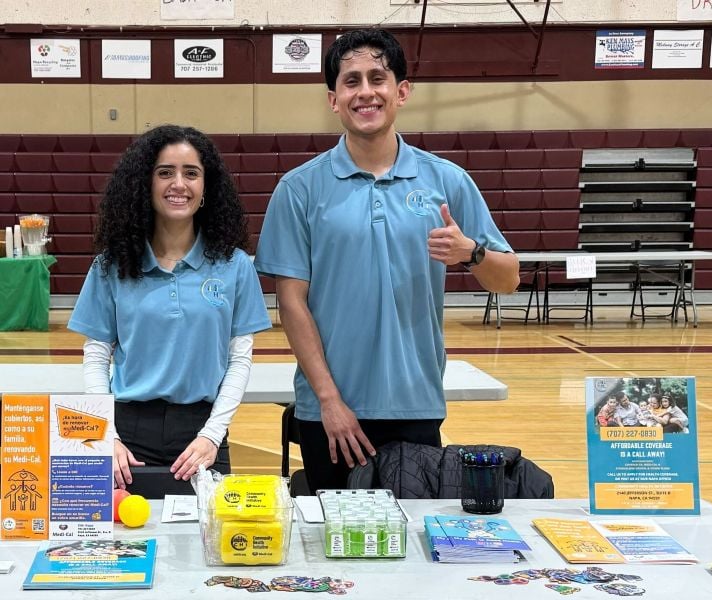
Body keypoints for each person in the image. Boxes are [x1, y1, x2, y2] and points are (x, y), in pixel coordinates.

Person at [255, 29, 519, 492]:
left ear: (401, 91)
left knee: (410, 549)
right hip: (332, 412)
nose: (365, 92)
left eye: (377, 78)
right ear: (333, 99)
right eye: (351, 80)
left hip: (415, 405)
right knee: (331, 549)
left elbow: (508, 279)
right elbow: (292, 304)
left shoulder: (448, 181)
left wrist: (471, 253)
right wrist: (330, 400)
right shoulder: (299, 189)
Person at [68, 124, 271, 490]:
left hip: (201, 434)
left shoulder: (235, 265)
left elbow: (239, 359)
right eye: (165, 173)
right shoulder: (111, 265)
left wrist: (212, 435)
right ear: (145, 184)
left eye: (191, 173)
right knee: (122, 543)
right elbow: (96, 357)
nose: (179, 184)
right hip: (126, 434)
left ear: (206, 187)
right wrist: (105, 435)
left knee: (207, 544)